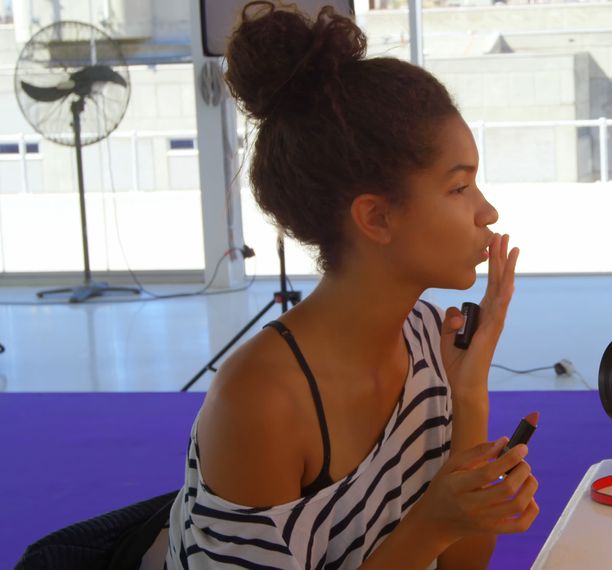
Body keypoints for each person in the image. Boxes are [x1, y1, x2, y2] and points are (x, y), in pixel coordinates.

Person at [146, 2, 538, 568]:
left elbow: (463, 564)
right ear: (376, 218)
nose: (488, 211)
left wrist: (470, 391)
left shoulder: (428, 337)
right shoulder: (261, 399)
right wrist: (432, 525)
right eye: (459, 188)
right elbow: (437, 541)